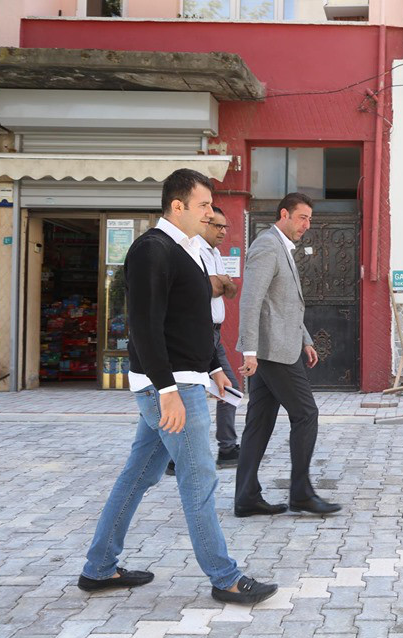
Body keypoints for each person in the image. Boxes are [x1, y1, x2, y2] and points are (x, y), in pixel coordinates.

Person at [78, 169, 277, 605]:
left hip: (184, 380)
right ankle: (225, 577)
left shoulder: (188, 250)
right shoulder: (152, 249)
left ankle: (98, 567)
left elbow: (190, 320)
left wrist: (213, 367)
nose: (209, 213)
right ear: (177, 206)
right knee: (199, 479)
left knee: (139, 475)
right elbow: (145, 325)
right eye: (203, 205)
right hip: (169, 389)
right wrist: (166, 390)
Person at [234, 192, 341, 517]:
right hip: (273, 351)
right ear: (284, 214)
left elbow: (283, 304)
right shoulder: (267, 246)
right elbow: (251, 301)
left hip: (280, 346)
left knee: (259, 423)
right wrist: (249, 351)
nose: (307, 225)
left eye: (309, 219)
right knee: (306, 414)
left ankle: (246, 497)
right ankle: (301, 494)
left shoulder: (282, 247)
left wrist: (306, 339)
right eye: (302, 218)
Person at [166, 206, 240, 476]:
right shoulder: (194, 249)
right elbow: (210, 288)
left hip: (214, 333)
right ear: (205, 224)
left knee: (227, 388)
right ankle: (179, 456)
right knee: (191, 391)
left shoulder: (216, 254)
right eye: (217, 226)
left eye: (225, 227)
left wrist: (221, 283)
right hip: (199, 331)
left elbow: (229, 289)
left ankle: (225, 447)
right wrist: (220, 283)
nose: (222, 231)